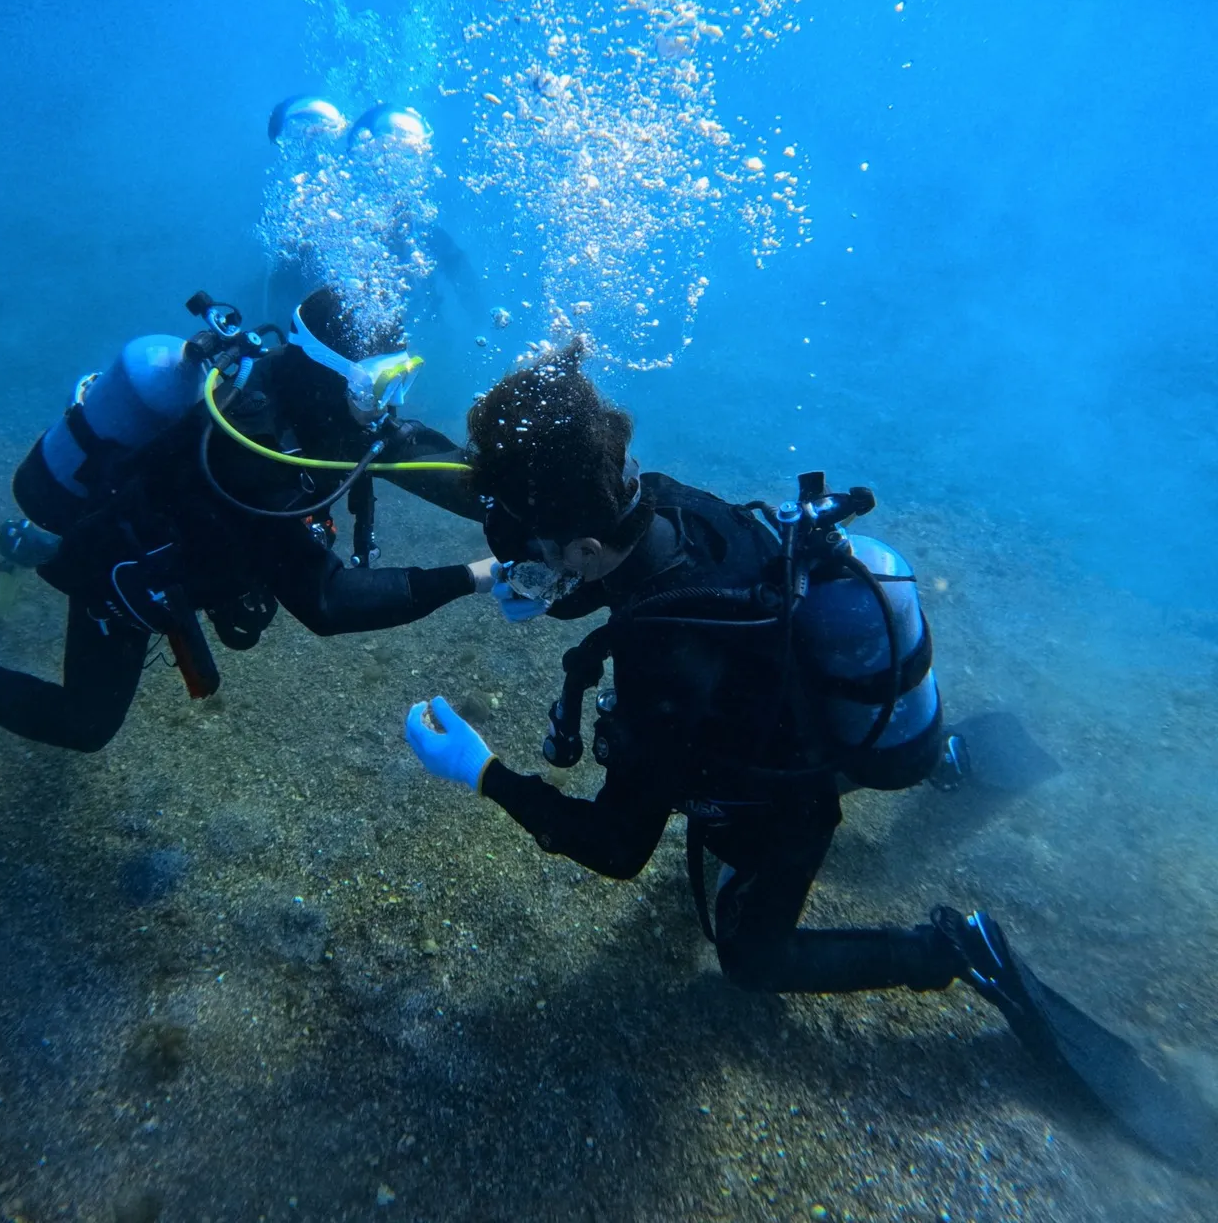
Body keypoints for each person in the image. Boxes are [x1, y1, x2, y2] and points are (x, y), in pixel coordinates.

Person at [403, 344, 1212, 1172]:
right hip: (796, 703)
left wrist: (481, 772)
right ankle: (938, 750)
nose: (521, 560)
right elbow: (624, 580)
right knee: (826, 741)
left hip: (786, 795)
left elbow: (619, 848)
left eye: (531, 549)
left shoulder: (666, 654)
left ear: (578, 543)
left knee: (752, 958)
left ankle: (959, 949)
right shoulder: (666, 503)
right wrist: (549, 590)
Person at [0, 285, 493, 755]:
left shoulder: (327, 408)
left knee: (241, 614)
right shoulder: (253, 453)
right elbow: (328, 603)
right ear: (322, 374)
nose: (387, 406)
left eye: (398, 378)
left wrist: (519, 499)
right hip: (120, 568)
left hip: (211, 539)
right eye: (377, 385)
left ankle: (20, 543)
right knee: (86, 725)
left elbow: (416, 456)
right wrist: (478, 575)